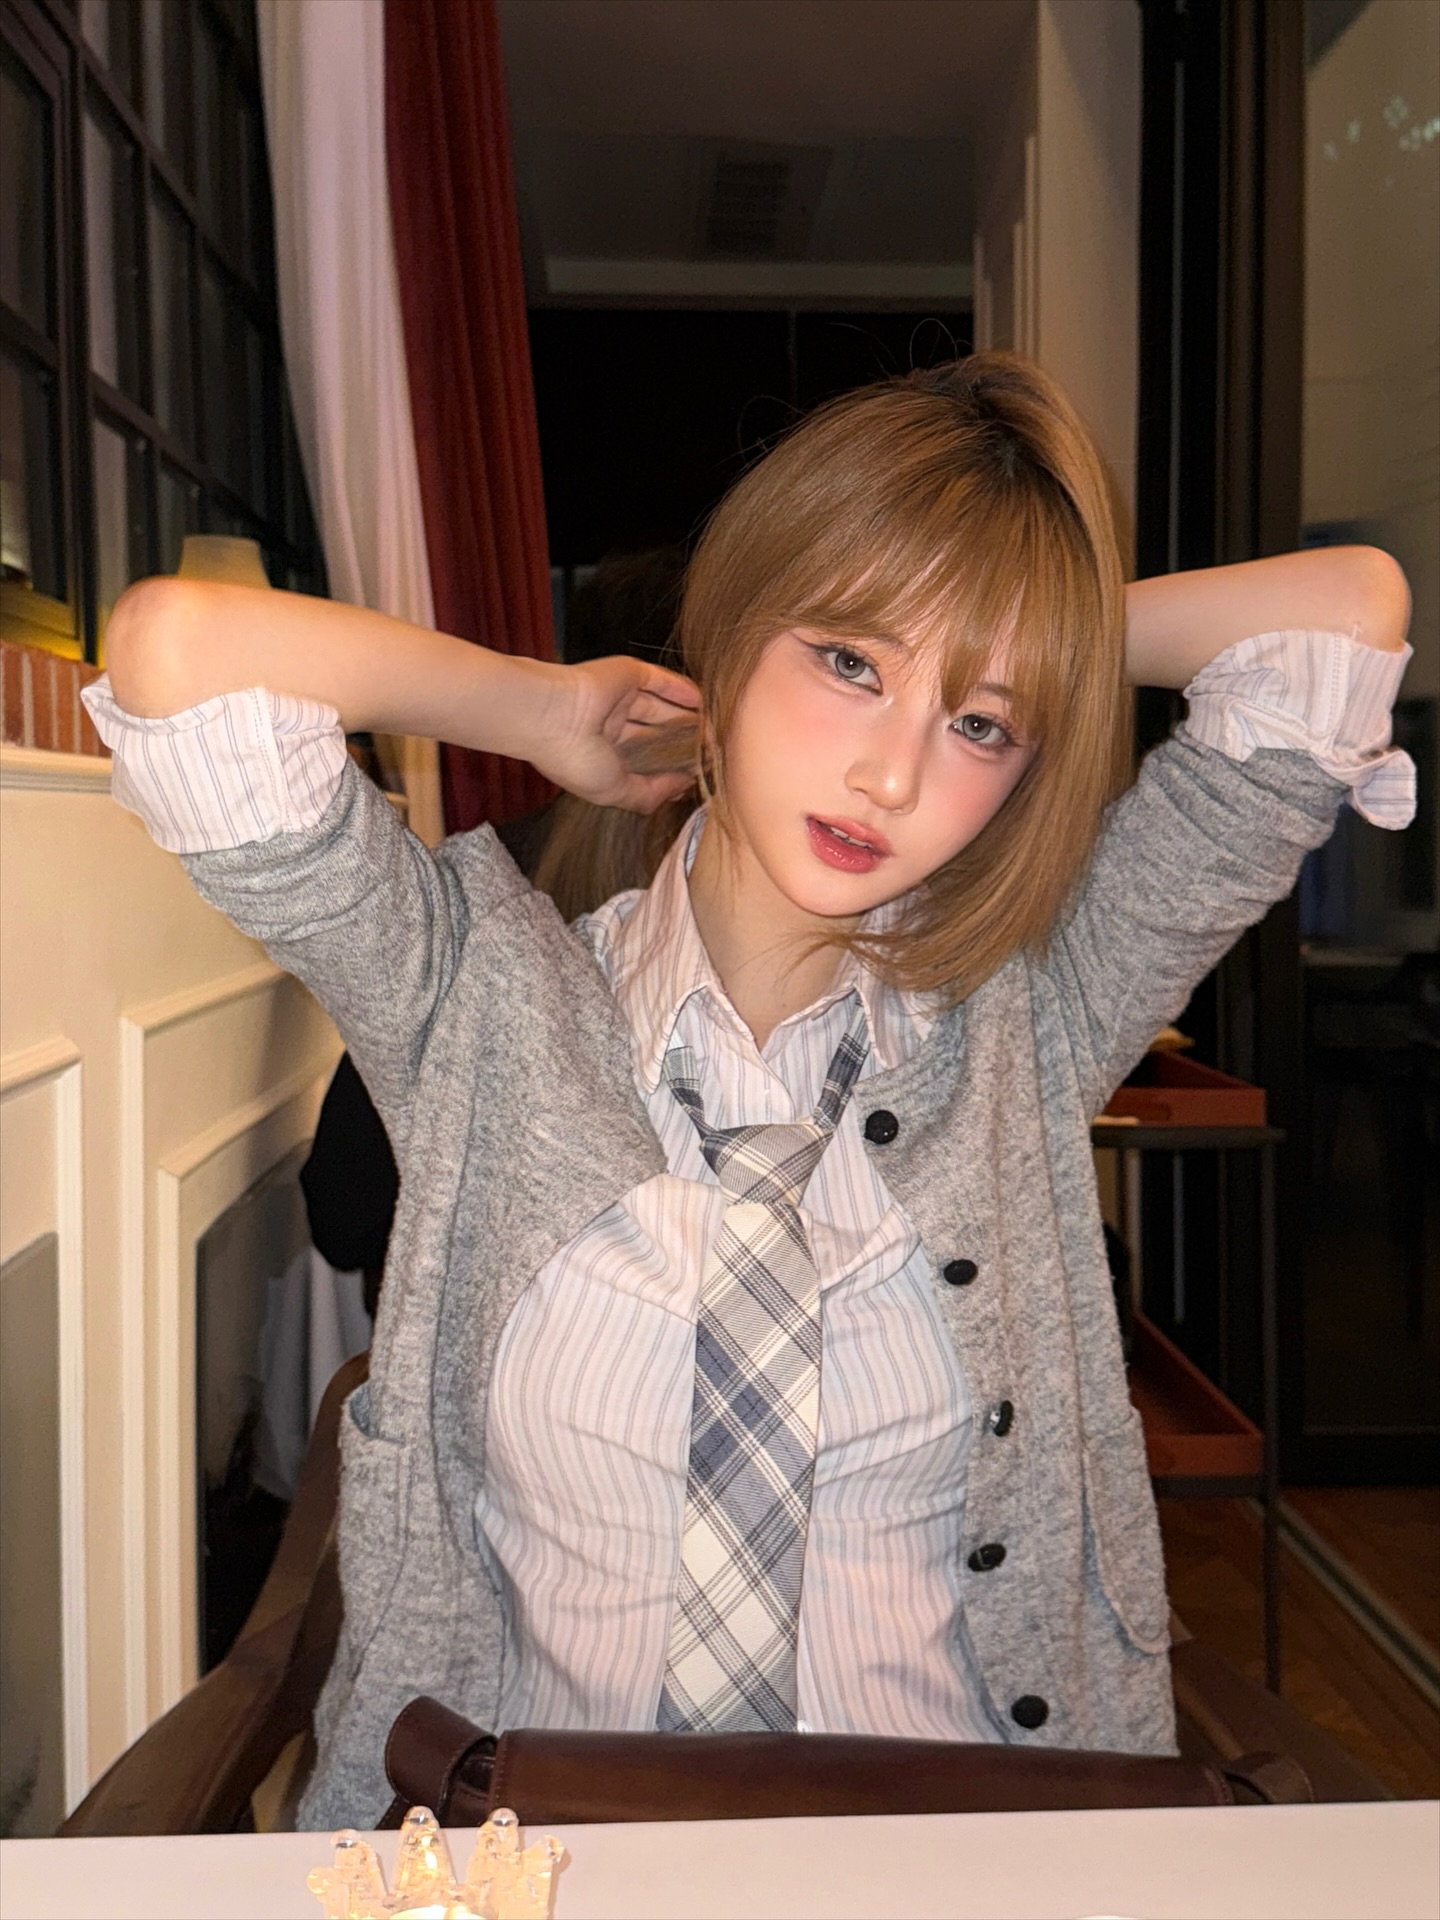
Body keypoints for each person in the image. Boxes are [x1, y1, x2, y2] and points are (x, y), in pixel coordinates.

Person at [85, 355, 1414, 1828]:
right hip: (544, 1857)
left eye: (981, 723)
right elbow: (174, 652)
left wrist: (1020, 623)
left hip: (968, 1847)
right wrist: (537, 707)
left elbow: (1347, 614)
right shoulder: (474, 994)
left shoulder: (1038, 1010)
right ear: (729, 637)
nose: (893, 774)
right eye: (849, 662)